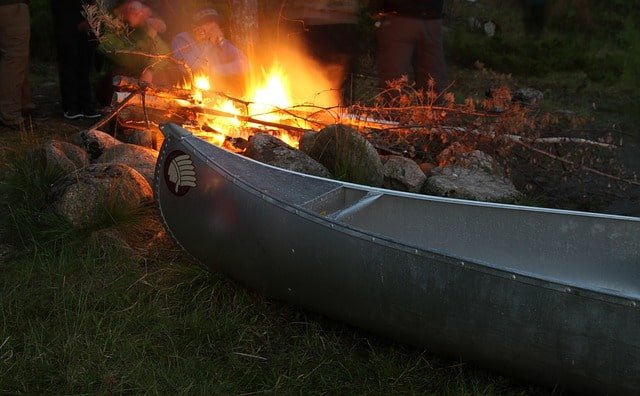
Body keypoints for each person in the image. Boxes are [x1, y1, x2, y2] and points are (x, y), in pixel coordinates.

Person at [280, 0, 368, 104]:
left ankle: (329, 112)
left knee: (323, 83)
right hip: (331, 19)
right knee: (320, 83)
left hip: (323, 20)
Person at [371, 0, 448, 99]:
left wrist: (375, 8)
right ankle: (434, 110)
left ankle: (393, 111)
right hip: (430, 18)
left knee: (394, 81)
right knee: (433, 80)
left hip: (399, 17)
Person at [171, 8, 248, 97]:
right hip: (189, 94)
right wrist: (203, 43)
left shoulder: (220, 42)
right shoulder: (182, 39)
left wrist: (216, 70)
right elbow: (187, 67)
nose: (213, 26)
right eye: (208, 23)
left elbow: (244, 63)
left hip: (217, 95)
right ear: (196, 27)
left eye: (215, 23)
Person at [99, 0, 172, 93]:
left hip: (138, 74)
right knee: (120, 75)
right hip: (112, 82)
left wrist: (150, 70)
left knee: (161, 75)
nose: (140, 11)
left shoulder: (137, 26)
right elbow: (127, 59)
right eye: (137, 5)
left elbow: (164, 51)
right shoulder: (103, 26)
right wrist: (149, 34)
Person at [52, 0, 102, 119]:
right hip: (69, 22)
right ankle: (71, 105)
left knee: (86, 64)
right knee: (69, 63)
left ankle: (86, 103)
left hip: (88, 22)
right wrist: (74, 25)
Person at [0, 0, 30, 130]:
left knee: (15, 59)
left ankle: (24, 103)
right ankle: (10, 115)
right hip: (11, 5)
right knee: (15, 59)